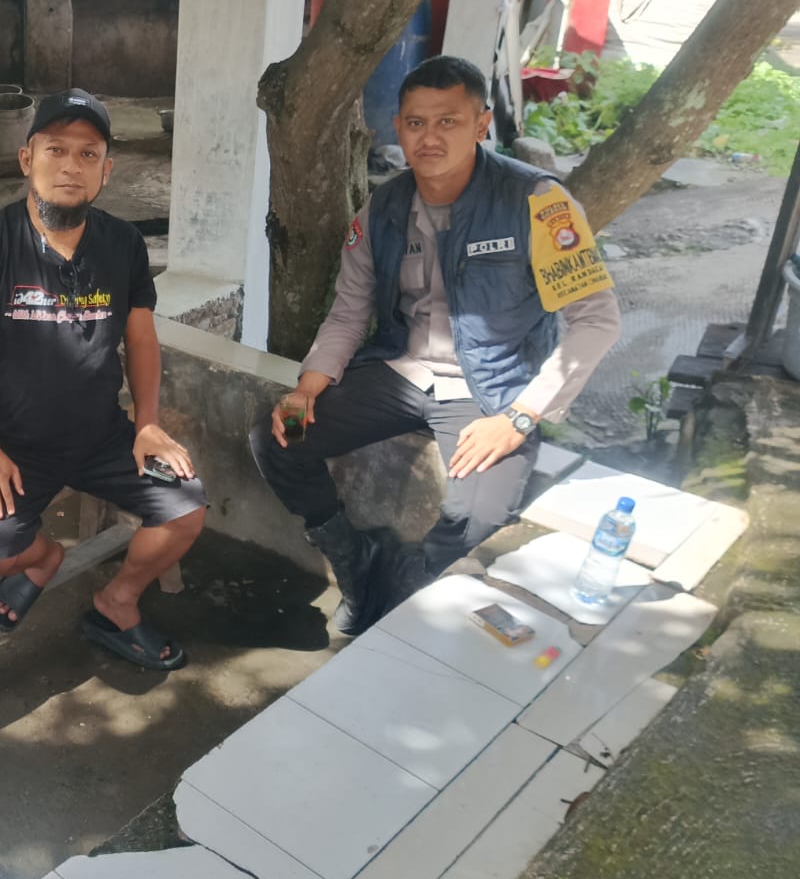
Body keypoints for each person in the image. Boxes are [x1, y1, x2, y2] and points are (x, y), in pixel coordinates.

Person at [250, 56, 621, 636]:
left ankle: (405, 592)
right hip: (399, 373)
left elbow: (596, 321)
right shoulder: (383, 209)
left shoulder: (536, 203)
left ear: (481, 124)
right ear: (398, 127)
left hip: (491, 389)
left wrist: (520, 417)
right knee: (278, 437)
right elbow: (349, 312)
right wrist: (307, 387)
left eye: (448, 121)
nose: (430, 137)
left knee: (478, 519)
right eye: (416, 123)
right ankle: (356, 564)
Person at [0, 89, 206, 671]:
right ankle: (45, 561)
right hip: (11, 446)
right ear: (28, 159)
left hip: (103, 437)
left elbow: (141, 339)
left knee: (185, 507)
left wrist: (147, 425)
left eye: (87, 154)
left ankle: (117, 600)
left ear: (106, 170)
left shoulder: (123, 244)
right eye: (56, 150)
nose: (71, 166)